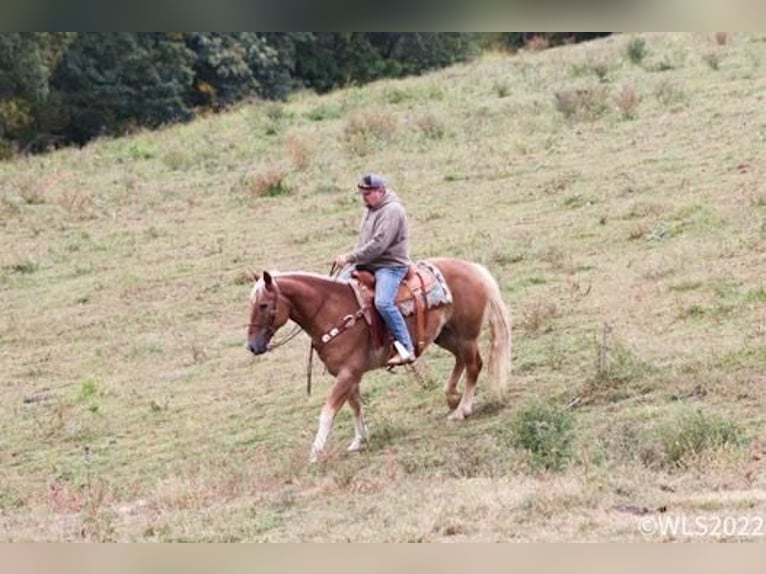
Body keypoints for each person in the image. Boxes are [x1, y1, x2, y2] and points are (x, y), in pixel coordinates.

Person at [334, 173, 415, 366]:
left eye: (368, 193)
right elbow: (365, 241)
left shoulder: (392, 211)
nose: (364, 197)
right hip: (369, 262)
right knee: (337, 289)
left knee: (383, 303)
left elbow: (379, 244)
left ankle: (407, 348)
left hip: (390, 265)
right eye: (362, 193)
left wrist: (350, 257)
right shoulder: (370, 208)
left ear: (381, 191)